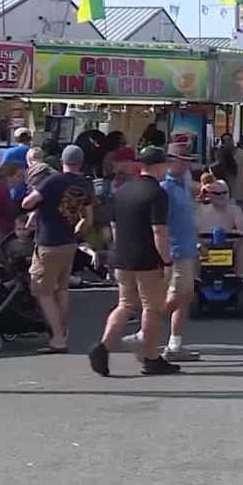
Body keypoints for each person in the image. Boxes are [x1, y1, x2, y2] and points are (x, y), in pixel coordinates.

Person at [88, 146, 180, 377]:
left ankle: (104, 346)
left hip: (123, 257)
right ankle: (150, 357)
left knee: (125, 304)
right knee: (152, 307)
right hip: (147, 259)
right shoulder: (157, 193)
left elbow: (114, 226)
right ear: (159, 166)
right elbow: (159, 231)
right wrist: (167, 261)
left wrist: (118, 250)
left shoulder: (123, 190)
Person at [21, 145, 94, 354]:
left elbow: (28, 203)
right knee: (61, 290)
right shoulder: (85, 185)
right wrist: (76, 231)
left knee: (41, 290)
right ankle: (63, 331)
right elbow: (88, 219)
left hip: (48, 242)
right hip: (69, 243)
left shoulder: (53, 181)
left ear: (62, 161)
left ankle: (58, 338)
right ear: (81, 162)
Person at [156, 144, 203, 363]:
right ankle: (148, 327)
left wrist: (196, 243)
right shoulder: (163, 188)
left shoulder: (182, 184)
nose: (187, 164)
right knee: (179, 294)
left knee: (185, 296)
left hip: (185, 248)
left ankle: (174, 343)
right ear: (170, 160)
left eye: (189, 160)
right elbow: (159, 225)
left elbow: (186, 219)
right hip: (173, 251)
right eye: (183, 160)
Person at [196, 180, 243, 264]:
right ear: (209, 195)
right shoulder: (200, 210)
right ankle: (195, 275)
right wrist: (199, 245)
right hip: (204, 248)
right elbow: (193, 232)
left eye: (225, 192)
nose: (222, 196)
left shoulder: (235, 210)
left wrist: (235, 245)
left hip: (229, 247)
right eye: (217, 193)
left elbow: (241, 231)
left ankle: (238, 276)